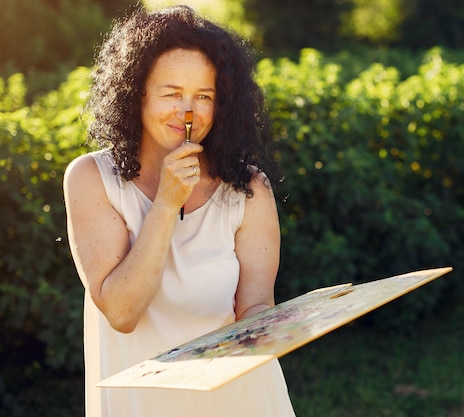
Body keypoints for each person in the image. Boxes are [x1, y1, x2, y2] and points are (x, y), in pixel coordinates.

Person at [63, 5, 295, 417]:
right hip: (142, 404)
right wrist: (167, 202)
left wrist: (283, 325)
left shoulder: (248, 188)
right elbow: (121, 312)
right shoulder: (90, 178)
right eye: (171, 93)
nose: (187, 112)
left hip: (240, 400)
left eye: (203, 96)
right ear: (137, 93)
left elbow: (256, 307)